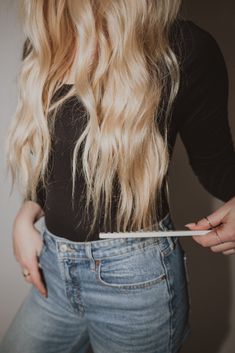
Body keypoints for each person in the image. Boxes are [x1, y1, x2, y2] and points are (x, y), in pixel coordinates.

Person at [1, 1, 235, 352]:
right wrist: (27, 212)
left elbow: (215, 163)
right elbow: (53, 160)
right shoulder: (43, 45)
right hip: (53, 268)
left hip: (135, 283)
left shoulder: (182, 48)